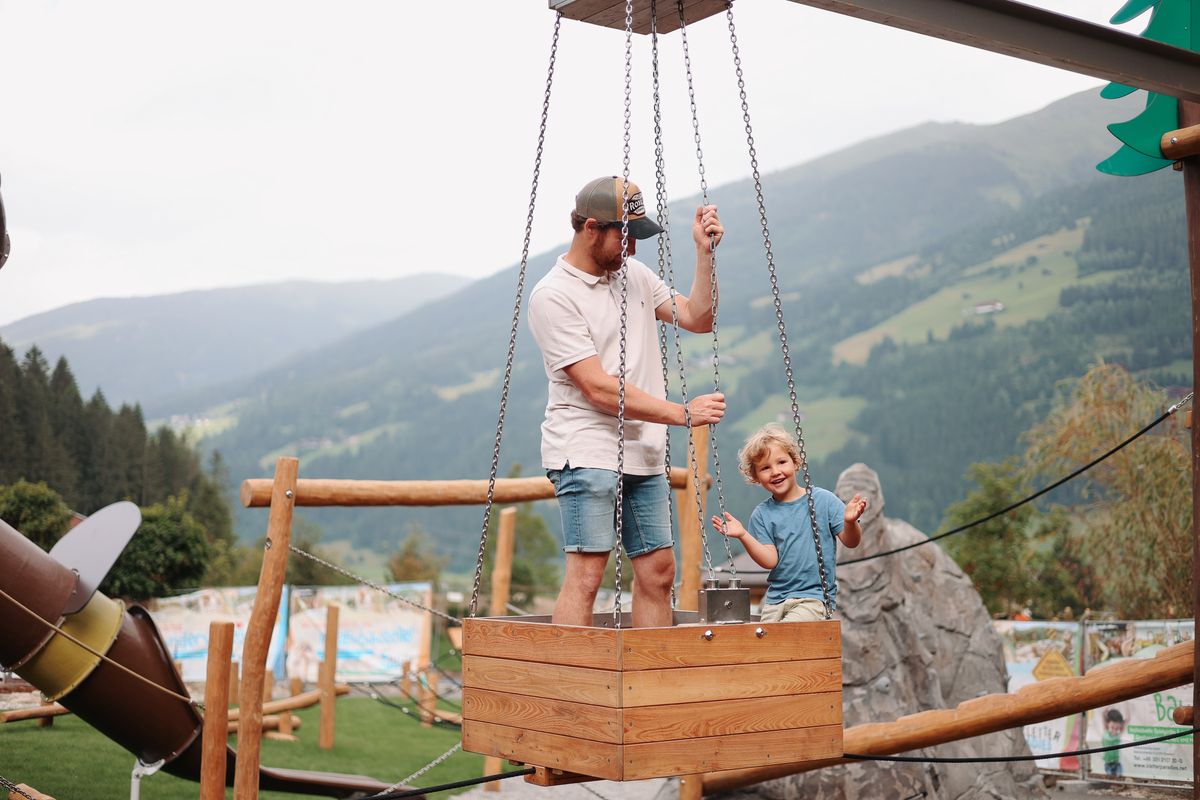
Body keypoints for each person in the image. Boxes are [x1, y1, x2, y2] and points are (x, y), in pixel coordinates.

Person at [527, 175, 727, 628]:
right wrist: (683, 414)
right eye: (626, 236)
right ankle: (569, 671)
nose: (633, 248)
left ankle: (647, 670)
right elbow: (597, 388)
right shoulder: (553, 295)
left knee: (659, 573)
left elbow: (698, 317)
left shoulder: (633, 275)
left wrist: (704, 254)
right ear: (591, 228)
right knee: (587, 576)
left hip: (643, 450)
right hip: (585, 450)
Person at [711, 423, 866, 622]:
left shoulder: (823, 500)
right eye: (765, 468)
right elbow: (770, 560)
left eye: (782, 462)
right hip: (775, 600)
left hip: (813, 598)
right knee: (765, 639)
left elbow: (851, 542)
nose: (775, 471)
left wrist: (849, 522)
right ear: (756, 476)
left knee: (787, 632)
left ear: (795, 462)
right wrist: (743, 535)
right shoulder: (762, 515)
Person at [1101, 707, 1125, 777]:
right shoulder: (1106, 731)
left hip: (1117, 763)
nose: (1114, 730)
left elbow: (1127, 719)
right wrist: (1106, 709)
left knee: (1119, 775)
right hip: (1108, 763)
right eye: (1112, 727)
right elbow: (1103, 716)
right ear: (1108, 724)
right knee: (1110, 776)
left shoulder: (1119, 734)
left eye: (1117, 728)